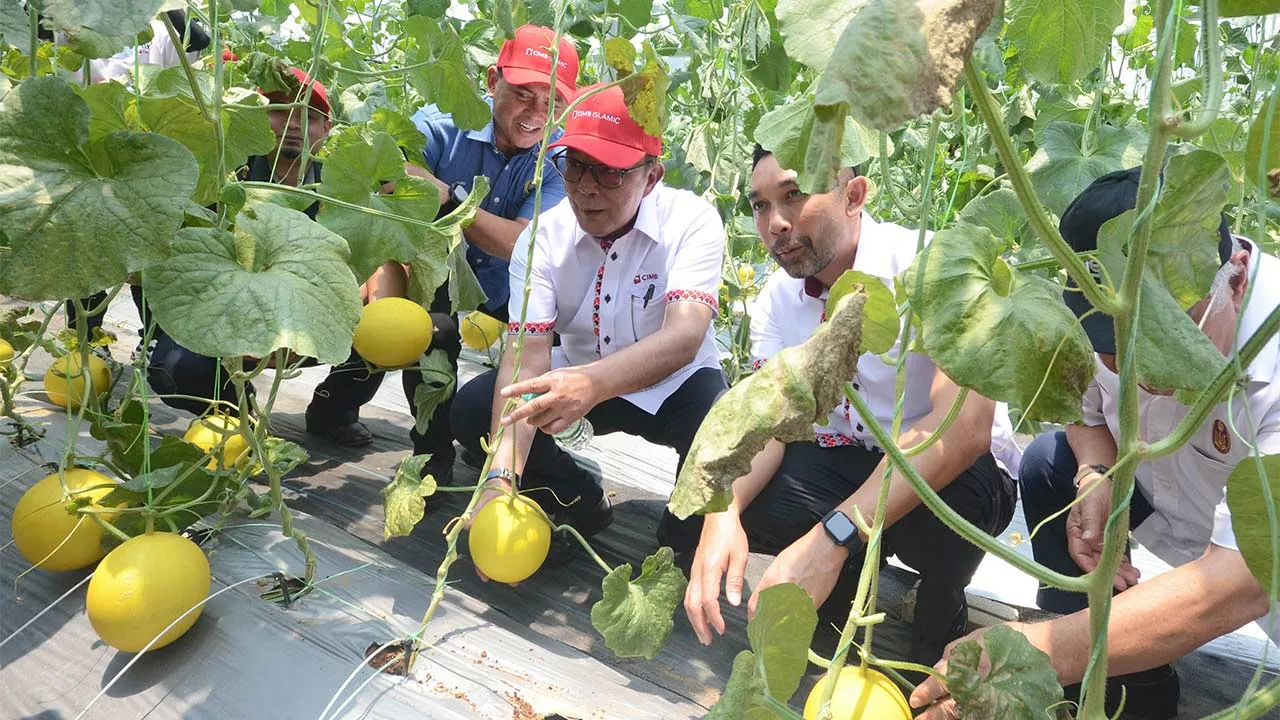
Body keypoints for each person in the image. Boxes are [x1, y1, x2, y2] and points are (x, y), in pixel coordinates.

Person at [909, 168, 1280, 720]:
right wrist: (1096, 475)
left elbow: (1240, 581)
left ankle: (1087, 653)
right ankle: (1128, 689)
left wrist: (1043, 649)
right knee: (1047, 464)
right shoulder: (1095, 319)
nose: (1138, 372)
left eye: (1161, 337)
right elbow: (1081, 407)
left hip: (1260, 579)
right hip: (1179, 507)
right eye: (1114, 348)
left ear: (1237, 273)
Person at [676, 146, 1020, 667]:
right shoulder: (777, 298)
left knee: (958, 501)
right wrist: (723, 512)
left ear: (854, 196)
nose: (776, 223)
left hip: (955, 474)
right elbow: (768, 424)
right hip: (847, 461)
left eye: (794, 195)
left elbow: (966, 429)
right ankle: (844, 578)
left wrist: (832, 538)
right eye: (760, 205)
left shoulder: (934, 266)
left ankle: (941, 595)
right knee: (739, 507)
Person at [449, 83, 728, 543]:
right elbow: (526, 357)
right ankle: (577, 498)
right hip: (578, 375)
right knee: (477, 410)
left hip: (677, 385)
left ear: (652, 176)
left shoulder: (692, 221)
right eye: (575, 166)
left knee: (718, 432)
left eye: (609, 173)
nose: (585, 189)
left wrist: (594, 383)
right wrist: (499, 479)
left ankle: (681, 541)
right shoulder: (542, 238)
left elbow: (685, 337)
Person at [141, 68, 405, 439]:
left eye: (309, 116)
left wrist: (303, 328)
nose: (294, 124)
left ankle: (334, 409)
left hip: (316, 320)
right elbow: (192, 263)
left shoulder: (343, 187)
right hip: (228, 315)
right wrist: (252, 328)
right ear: (259, 117)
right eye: (281, 110)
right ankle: (233, 404)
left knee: (391, 325)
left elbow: (372, 265)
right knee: (174, 372)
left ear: (326, 129)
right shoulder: (224, 175)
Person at [385, 24, 581, 484]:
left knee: (559, 347)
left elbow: (521, 244)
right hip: (435, 272)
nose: (536, 113)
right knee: (426, 336)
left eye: (550, 102)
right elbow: (392, 184)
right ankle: (429, 458)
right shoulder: (436, 128)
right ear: (493, 82)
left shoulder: (559, 160)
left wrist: (450, 201)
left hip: (503, 280)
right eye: (523, 94)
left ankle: (520, 459)